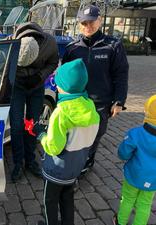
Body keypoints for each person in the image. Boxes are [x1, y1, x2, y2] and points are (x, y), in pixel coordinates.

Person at [62, 5, 129, 173]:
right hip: (76, 103)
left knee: (94, 137)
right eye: (84, 23)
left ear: (100, 21)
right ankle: (76, 163)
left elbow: (121, 75)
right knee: (74, 136)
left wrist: (119, 101)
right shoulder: (72, 48)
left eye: (91, 22)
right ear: (79, 24)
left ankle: (86, 164)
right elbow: (64, 77)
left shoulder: (113, 46)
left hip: (100, 103)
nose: (88, 26)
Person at [37, 59, 100, 225]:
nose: (56, 86)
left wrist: (42, 136)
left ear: (64, 87)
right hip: (75, 168)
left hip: (56, 171)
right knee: (67, 199)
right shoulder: (91, 108)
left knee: (50, 201)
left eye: (58, 84)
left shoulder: (61, 113)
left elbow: (53, 147)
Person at [9, 22, 59, 182]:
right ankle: (18, 162)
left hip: (36, 86)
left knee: (32, 123)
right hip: (17, 86)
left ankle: (30, 160)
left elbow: (53, 62)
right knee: (16, 125)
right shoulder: (11, 42)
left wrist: (40, 76)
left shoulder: (50, 43)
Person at [113, 95, 156, 225]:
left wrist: (124, 156)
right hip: (153, 179)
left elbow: (123, 153)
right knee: (145, 204)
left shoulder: (136, 133)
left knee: (127, 199)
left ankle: (120, 222)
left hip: (134, 175)